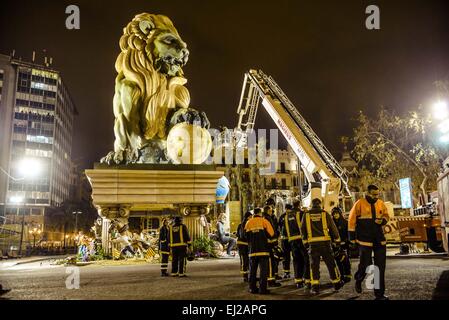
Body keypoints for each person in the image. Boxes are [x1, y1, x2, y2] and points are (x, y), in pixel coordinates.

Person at [348, 184, 390, 300]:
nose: (376, 196)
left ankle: (379, 294)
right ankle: (359, 278)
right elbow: (351, 221)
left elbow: (387, 216)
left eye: (377, 194)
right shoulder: (359, 203)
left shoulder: (381, 203)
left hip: (379, 240)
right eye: (374, 194)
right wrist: (352, 239)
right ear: (367, 193)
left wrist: (382, 221)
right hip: (364, 241)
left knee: (379, 268)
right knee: (366, 265)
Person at [301, 198, 344, 295]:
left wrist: (305, 243)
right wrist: (337, 241)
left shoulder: (306, 215)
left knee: (314, 266)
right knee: (331, 264)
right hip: (325, 244)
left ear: (311, 204)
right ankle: (336, 283)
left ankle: (315, 288)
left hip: (313, 244)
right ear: (320, 204)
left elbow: (303, 229)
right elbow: (333, 228)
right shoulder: (325, 214)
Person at [244, 207, 275, 294]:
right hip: (263, 250)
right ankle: (262, 289)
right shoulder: (264, 221)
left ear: (254, 214)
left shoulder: (248, 223)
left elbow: (245, 236)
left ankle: (252, 288)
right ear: (260, 213)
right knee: (263, 271)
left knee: (252, 270)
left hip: (252, 251)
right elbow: (272, 234)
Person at [331, 206, 352, 283]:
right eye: (334, 214)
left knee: (346, 261)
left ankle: (348, 275)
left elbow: (349, 234)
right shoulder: (331, 224)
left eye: (337, 213)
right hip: (335, 246)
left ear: (340, 214)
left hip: (344, 245)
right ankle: (342, 275)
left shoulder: (345, 223)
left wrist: (346, 242)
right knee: (338, 262)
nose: (335, 215)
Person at [263, 205, 281, 287]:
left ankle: (271, 278)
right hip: (269, 245)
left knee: (271, 262)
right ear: (268, 211)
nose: (272, 212)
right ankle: (271, 281)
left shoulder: (264, 218)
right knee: (271, 262)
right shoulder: (268, 219)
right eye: (270, 210)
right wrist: (275, 243)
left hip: (265, 244)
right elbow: (271, 232)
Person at [236, 211, 252, 282]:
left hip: (241, 244)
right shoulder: (247, 223)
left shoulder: (241, 224)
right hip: (244, 244)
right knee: (245, 260)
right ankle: (245, 276)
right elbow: (245, 235)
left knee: (244, 259)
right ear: (248, 217)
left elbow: (237, 234)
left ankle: (246, 276)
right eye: (251, 216)